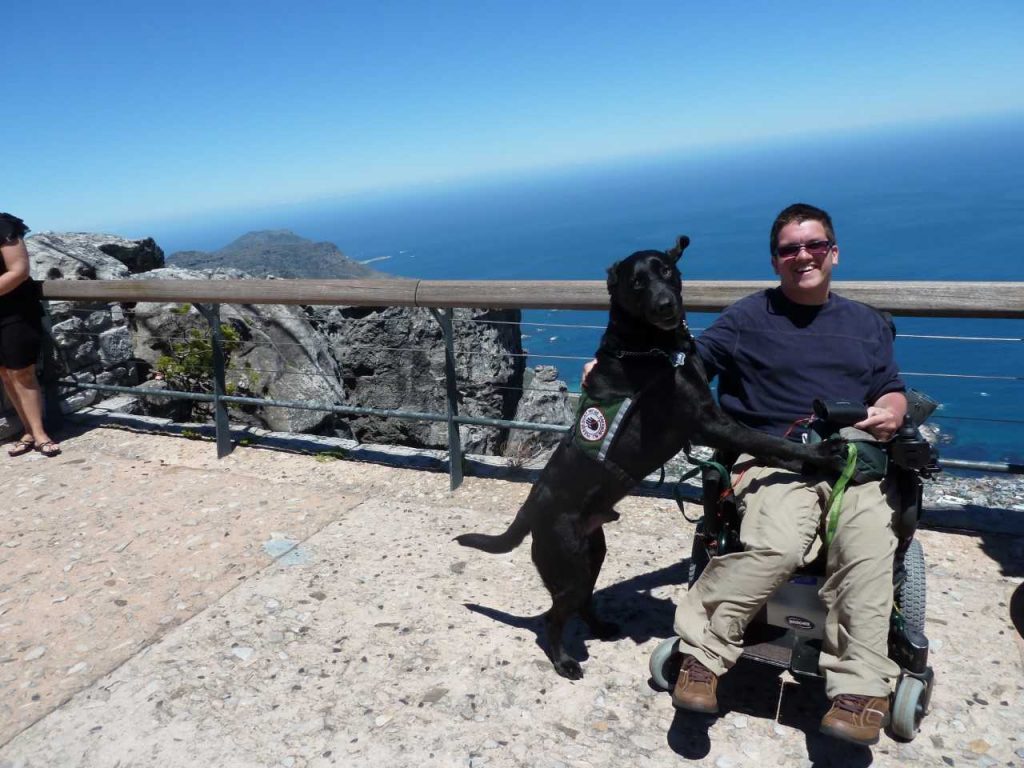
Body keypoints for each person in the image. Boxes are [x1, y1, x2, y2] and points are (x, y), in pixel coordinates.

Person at [670, 203, 905, 746]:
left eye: (814, 245)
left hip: (852, 458)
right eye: (789, 249)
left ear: (834, 253)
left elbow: (889, 384)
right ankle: (702, 657)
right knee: (776, 544)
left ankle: (861, 690)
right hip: (775, 458)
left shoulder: (867, 324)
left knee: (868, 545)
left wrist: (891, 409)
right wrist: (614, 366)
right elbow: (691, 366)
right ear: (775, 261)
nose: (803, 256)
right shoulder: (748, 318)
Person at [0, 212, 60, 457]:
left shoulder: (3, 226)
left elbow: (19, 270)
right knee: (4, 373)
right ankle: (27, 431)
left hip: (15, 311)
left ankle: (40, 433)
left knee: (22, 371)